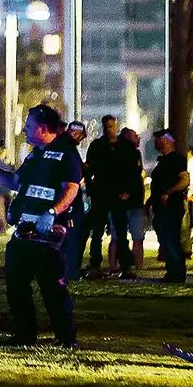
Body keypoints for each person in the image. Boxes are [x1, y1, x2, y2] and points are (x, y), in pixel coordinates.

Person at [0, 104, 79, 348]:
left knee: (52, 287)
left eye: (29, 126)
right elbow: (14, 181)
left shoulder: (66, 154)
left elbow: (71, 189)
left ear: (43, 129)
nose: (25, 130)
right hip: (24, 230)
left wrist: (51, 213)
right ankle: (24, 335)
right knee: (16, 283)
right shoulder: (34, 155)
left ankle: (66, 339)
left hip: (49, 232)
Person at [146, 129, 190, 283]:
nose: (155, 143)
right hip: (161, 208)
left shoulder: (177, 160)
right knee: (165, 240)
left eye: (158, 139)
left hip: (171, 207)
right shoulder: (163, 162)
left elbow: (185, 181)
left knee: (171, 240)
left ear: (166, 140)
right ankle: (172, 271)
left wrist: (169, 192)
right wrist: (149, 203)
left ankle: (177, 272)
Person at [81, 114, 120, 278]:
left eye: (111, 126)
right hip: (101, 192)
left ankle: (120, 263)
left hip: (116, 193)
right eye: (106, 126)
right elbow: (88, 168)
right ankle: (95, 262)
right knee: (97, 230)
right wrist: (91, 188)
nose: (108, 129)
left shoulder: (122, 146)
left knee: (118, 230)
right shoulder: (97, 146)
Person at [108, 128, 145, 278]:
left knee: (117, 236)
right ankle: (134, 266)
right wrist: (127, 191)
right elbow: (132, 175)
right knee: (135, 237)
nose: (138, 139)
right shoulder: (131, 153)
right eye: (135, 136)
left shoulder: (114, 151)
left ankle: (114, 265)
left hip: (118, 200)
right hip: (131, 201)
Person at [57, 121, 88, 280]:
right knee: (73, 236)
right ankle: (71, 270)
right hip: (70, 202)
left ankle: (67, 269)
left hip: (64, 200)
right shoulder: (68, 149)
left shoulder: (60, 147)